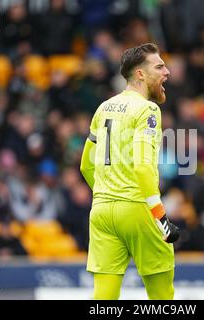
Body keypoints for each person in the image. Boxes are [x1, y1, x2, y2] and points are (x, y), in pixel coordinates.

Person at [80, 43, 180, 300]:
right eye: (159, 66)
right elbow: (143, 166)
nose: (166, 72)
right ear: (140, 74)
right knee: (162, 296)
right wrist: (161, 217)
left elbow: (85, 165)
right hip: (137, 209)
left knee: (103, 299)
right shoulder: (148, 109)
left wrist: (108, 194)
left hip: (101, 211)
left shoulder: (103, 108)